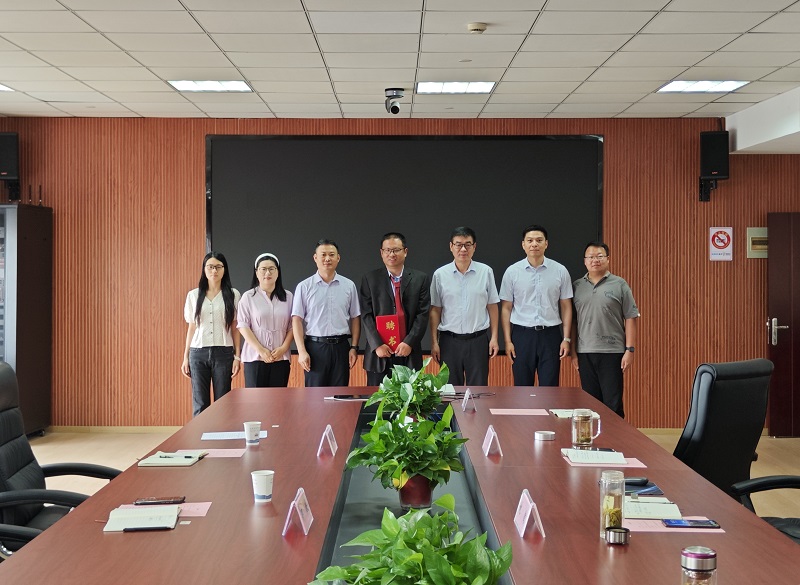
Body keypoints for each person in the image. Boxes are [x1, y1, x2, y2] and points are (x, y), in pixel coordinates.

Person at [570, 242, 639, 417]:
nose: (595, 260)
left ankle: (615, 435)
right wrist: (573, 353)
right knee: (590, 404)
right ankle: (594, 435)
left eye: (599, 256)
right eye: (591, 257)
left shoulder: (620, 284)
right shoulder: (577, 286)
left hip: (612, 352)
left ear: (607, 259)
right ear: (585, 261)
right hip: (585, 352)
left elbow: (631, 317)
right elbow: (573, 322)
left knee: (613, 404)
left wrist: (629, 350)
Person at [500, 224, 573, 387]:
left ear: (546, 244)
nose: (534, 244)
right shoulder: (512, 272)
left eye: (539, 240)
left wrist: (566, 338)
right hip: (522, 335)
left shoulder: (560, 270)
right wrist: (507, 341)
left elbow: (566, 306)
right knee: (522, 387)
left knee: (550, 387)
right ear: (523, 244)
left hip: (550, 335)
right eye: (530, 240)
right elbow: (506, 308)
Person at [429, 227, 500, 386]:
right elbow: (435, 310)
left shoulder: (486, 272)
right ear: (451, 246)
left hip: (478, 341)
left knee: (479, 390)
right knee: (450, 390)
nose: (463, 249)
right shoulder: (440, 274)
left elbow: (492, 306)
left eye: (468, 244)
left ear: (474, 247)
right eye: (458, 244)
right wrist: (434, 342)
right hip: (449, 341)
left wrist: (494, 337)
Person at [360, 232, 431, 386]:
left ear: (405, 251)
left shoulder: (420, 278)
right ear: (381, 253)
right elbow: (366, 315)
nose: (391, 254)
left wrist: (409, 342)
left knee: (410, 398)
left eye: (396, 250)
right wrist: (377, 344)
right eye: (387, 250)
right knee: (378, 398)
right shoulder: (370, 279)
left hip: (409, 351)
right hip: (379, 354)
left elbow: (423, 314)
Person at [292, 239, 361, 387]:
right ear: (315, 258)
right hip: (315, 348)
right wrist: (301, 351)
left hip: (341, 348)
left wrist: (354, 347)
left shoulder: (349, 286)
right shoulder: (304, 286)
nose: (327, 258)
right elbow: (296, 320)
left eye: (331, 254)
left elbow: (355, 317)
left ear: (338, 258)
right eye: (323, 254)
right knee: (314, 396)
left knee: (340, 395)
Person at [181, 251, 241, 417]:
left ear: (224, 269)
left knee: (223, 402)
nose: (214, 271)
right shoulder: (193, 295)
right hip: (198, 353)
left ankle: (223, 433)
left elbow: (235, 328)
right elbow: (192, 327)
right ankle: (201, 433)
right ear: (204, 269)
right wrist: (185, 357)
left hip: (224, 353)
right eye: (210, 267)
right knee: (200, 403)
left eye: (218, 267)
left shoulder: (233, 294)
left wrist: (237, 357)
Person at [237, 253, 294, 388]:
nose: (267, 273)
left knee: (278, 399)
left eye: (271, 269)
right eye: (263, 269)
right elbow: (243, 326)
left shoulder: (288, 297)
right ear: (257, 272)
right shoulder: (248, 297)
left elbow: (293, 326)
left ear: (277, 272)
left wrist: (283, 348)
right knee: (255, 399)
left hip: (280, 357)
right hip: (255, 357)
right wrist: (261, 350)